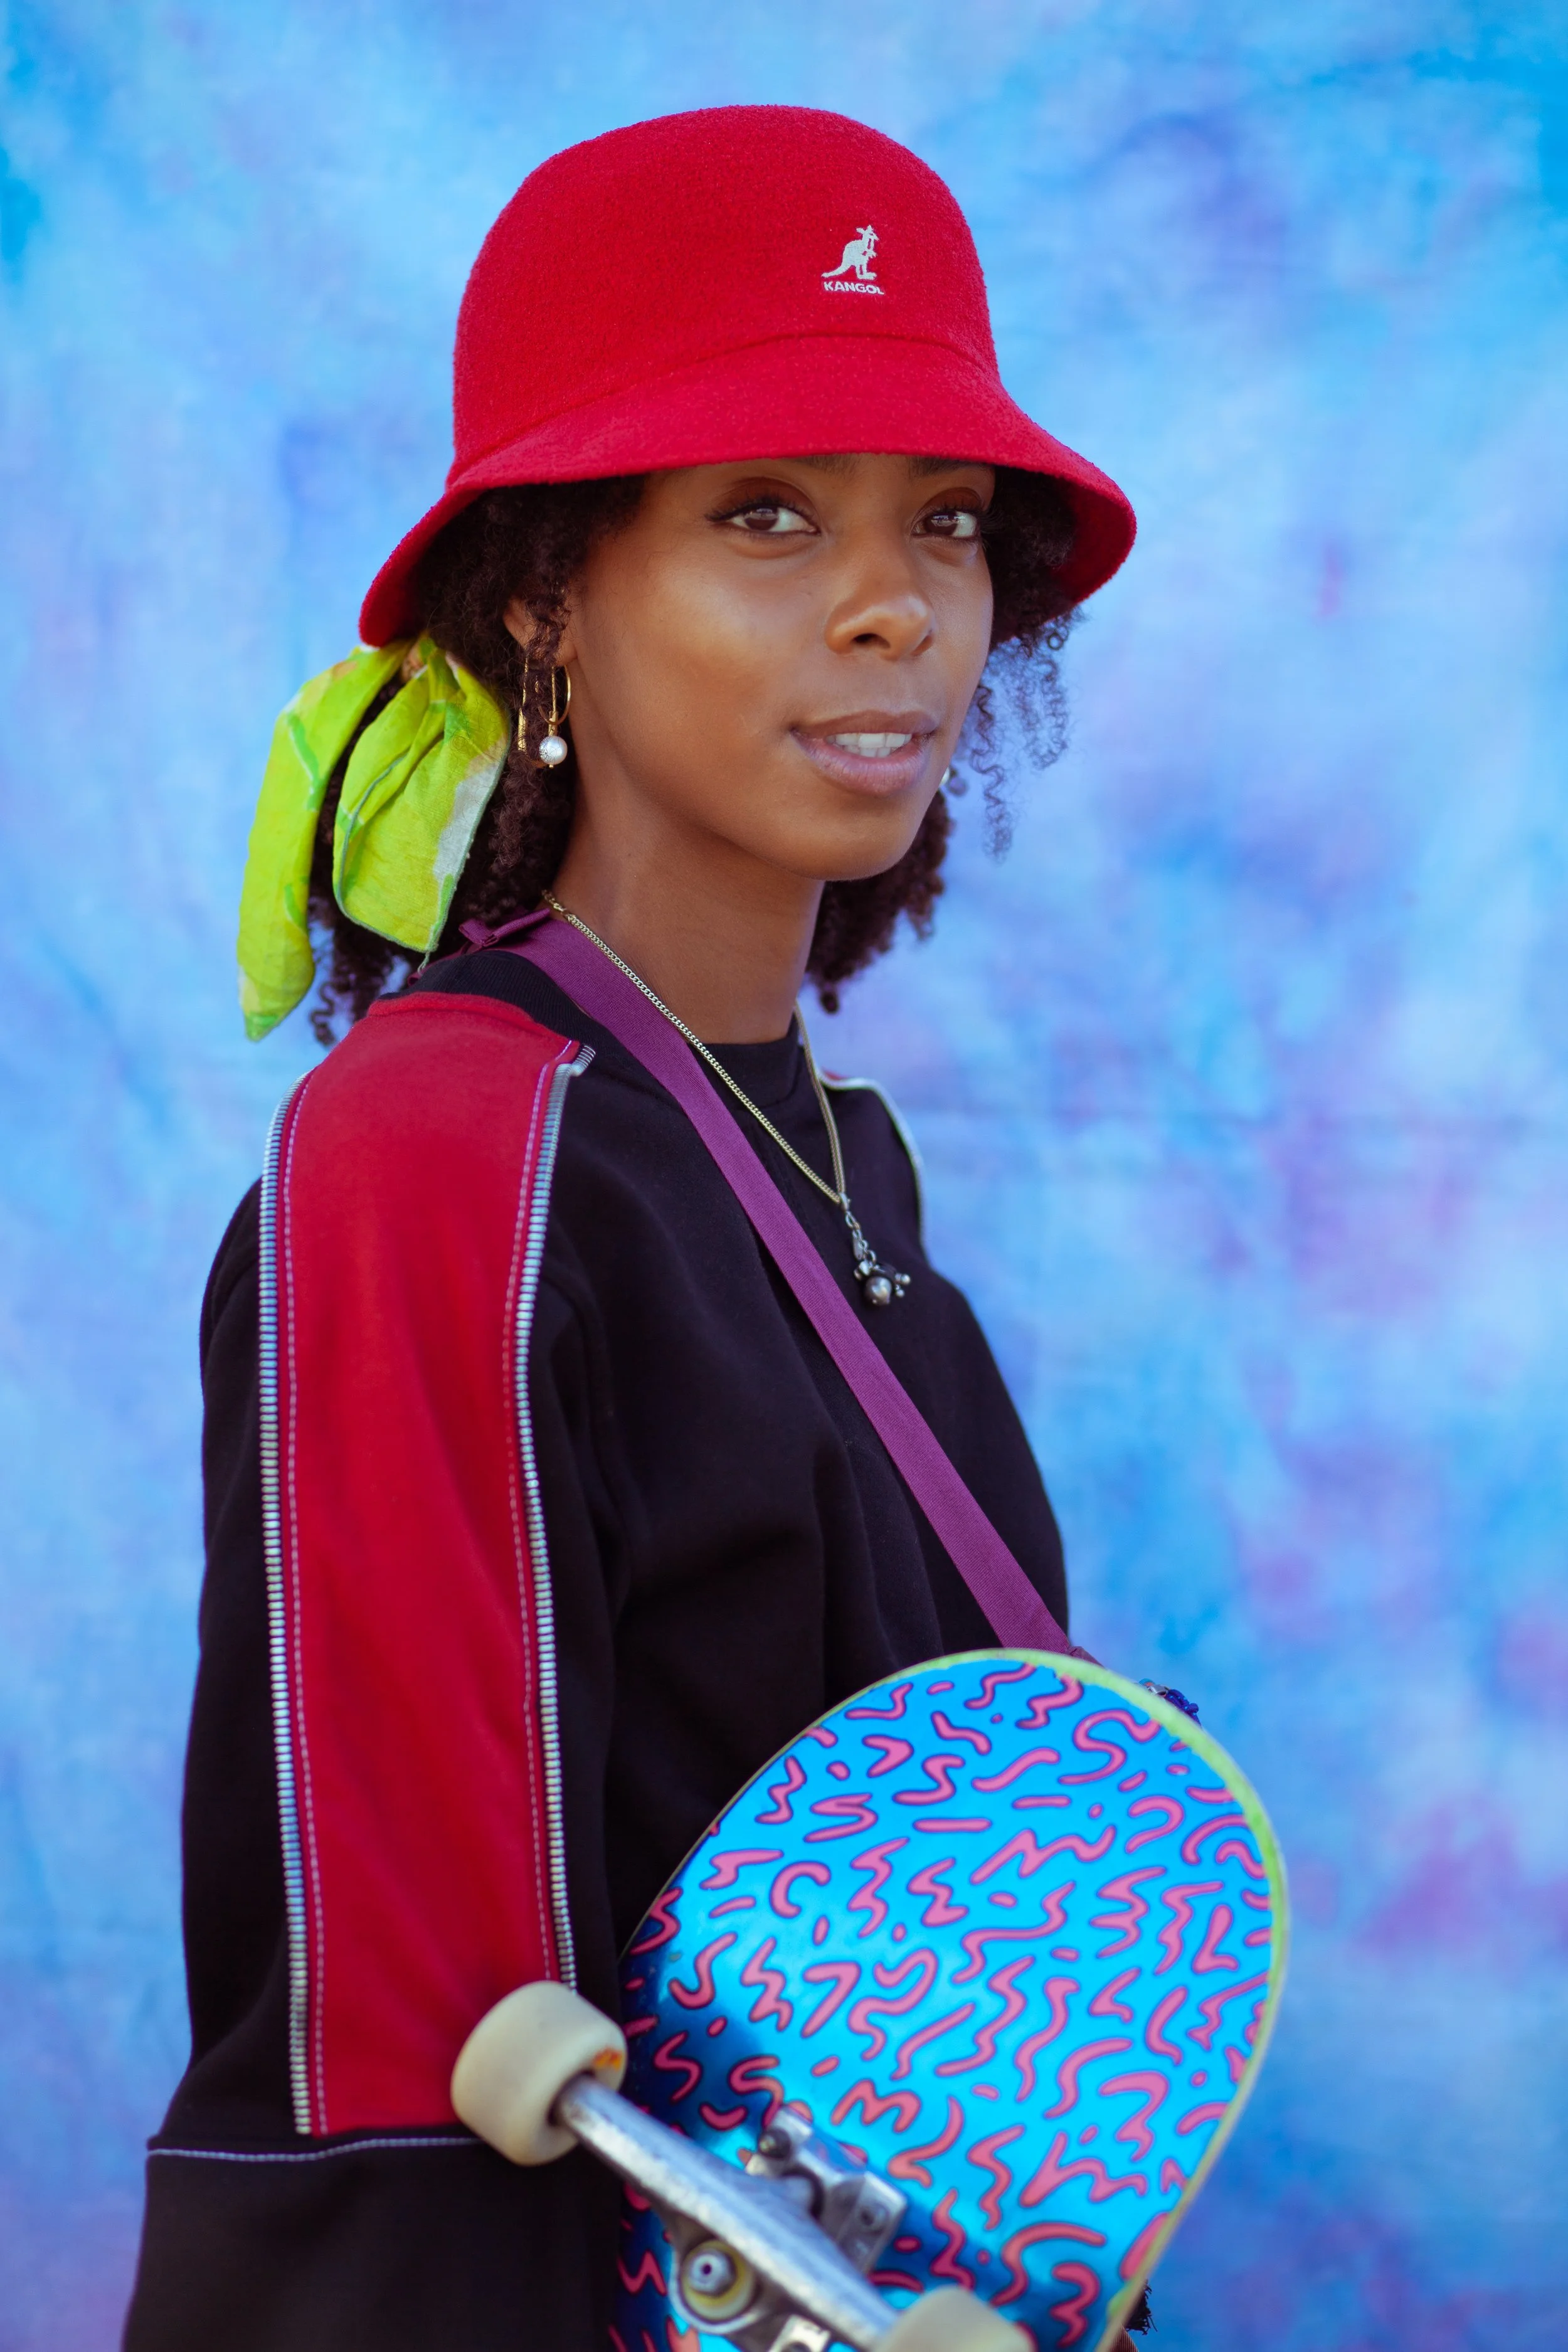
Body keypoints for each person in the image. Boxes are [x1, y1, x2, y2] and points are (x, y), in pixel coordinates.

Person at [124, 105, 1138, 2351]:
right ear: (544, 595)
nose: (895, 604)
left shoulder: (832, 1170)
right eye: (763, 514)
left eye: (944, 525)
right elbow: (407, 2059)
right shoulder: (434, 1159)